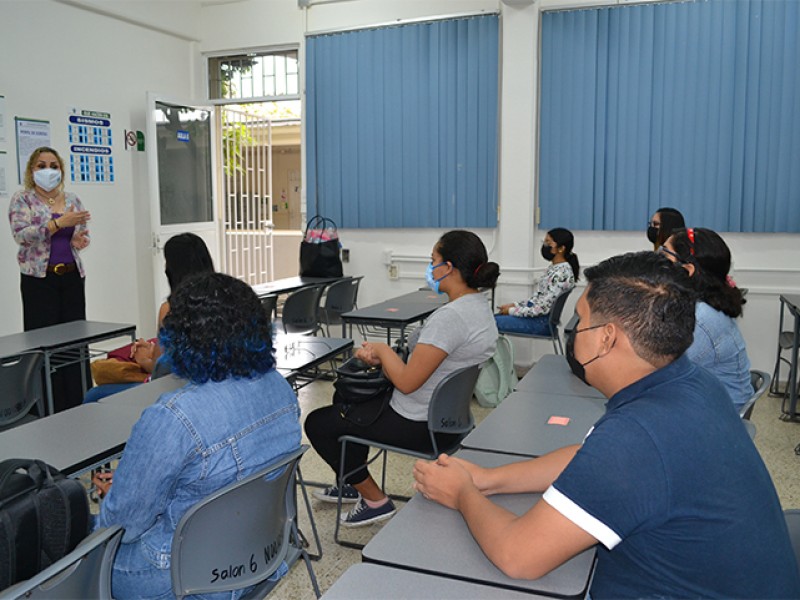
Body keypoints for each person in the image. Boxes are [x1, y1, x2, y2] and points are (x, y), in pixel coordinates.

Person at [413, 251, 800, 599]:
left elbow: (519, 556)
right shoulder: (691, 382)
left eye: (580, 320)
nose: (574, 330)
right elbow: (589, 457)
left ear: (605, 339)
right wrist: (488, 479)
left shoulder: (638, 437)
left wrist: (464, 493)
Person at [94, 273, 301, 599]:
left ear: (183, 338)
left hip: (184, 573)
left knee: (77, 547)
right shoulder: (280, 388)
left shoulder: (173, 416)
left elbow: (123, 526)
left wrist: (119, 493)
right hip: (260, 552)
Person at [305, 230, 499, 527]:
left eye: (433, 260)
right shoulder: (478, 309)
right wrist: (385, 356)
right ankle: (351, 480)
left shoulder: (452, 318)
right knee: (344, 399)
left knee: (319, 423)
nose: (430, 268)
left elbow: (408, 381)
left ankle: (375, 501)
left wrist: (382, 350)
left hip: (416, 423)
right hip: (447, 420)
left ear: (449, 268)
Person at [84, 232, 214, 401]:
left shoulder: (170, 309)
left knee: (93, 396)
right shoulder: (224, 301)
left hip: (177, 390)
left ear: (173, 267)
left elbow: (159, 370)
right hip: (211, 385)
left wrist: (143, 359)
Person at [8, 146, 91, 412]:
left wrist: (79, 239)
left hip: (71, 278)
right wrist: (57, 223)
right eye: (42, 165)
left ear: (61, 170)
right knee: (44, 344)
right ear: (32, 170)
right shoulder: (23, 200)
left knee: (75, 344)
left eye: (54, 166)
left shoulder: (72, 200)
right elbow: (22, 235)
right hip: (39, 282)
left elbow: (81, 233)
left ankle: (78, 401)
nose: (48, 170)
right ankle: (45, 405)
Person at [661, 227, 752, 411]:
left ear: (687, 270)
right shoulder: (703, 304)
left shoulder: (701, 320)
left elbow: (657, 372)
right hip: (707, 405)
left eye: (664, 257)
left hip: (718, 421)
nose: (657, 263)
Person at [495, 227, 579, 336]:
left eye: (548, 242)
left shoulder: (560, 274)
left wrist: (511, 311)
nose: (545, 245)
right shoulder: (556, 268)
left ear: (561, 248)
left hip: (541, 323)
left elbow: (541, 309)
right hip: (538, 319)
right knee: (492, 319)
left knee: (490, 323)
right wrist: (514, 305)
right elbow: (537, 299)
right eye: (544, 242)